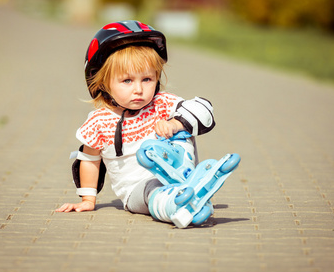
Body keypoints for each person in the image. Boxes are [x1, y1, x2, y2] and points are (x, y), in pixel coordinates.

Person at [56, 20, 238, 228]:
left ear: (157, 78)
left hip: (177, 171)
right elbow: (89, 160)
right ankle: (179, 203)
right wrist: (88, 200)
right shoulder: (100, 121)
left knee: (183, 125)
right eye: (127, 81)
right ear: (103, 82)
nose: (139, 89)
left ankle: (187, 180)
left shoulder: (161, 104)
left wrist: (175, 124)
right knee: (153, 190)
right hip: (138, 191)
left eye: (147, 79)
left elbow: (203, 110)